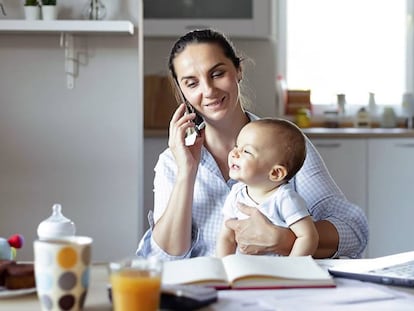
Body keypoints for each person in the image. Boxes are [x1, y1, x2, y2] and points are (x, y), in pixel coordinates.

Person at [137, 28, 368, 260]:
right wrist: (186, 172)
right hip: (209, 290)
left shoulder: (283, 144)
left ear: (238, 70)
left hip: (278, 290)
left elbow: (354, 230)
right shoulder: (172, 161)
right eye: (191, 83)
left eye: (217, 74)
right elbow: (164, 257)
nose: (208, 90)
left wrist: (284, 239)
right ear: (181, 90)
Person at [216, 118, 318, 257]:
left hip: (276, 274)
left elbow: (308, 237)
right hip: (244, 272)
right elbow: (227, 237)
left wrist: (293, 271)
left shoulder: (285, 198)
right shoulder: (236, 193)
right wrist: (222, 269)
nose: (234, 153)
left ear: (275, 173)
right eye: (236, 146)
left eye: (246, 151)